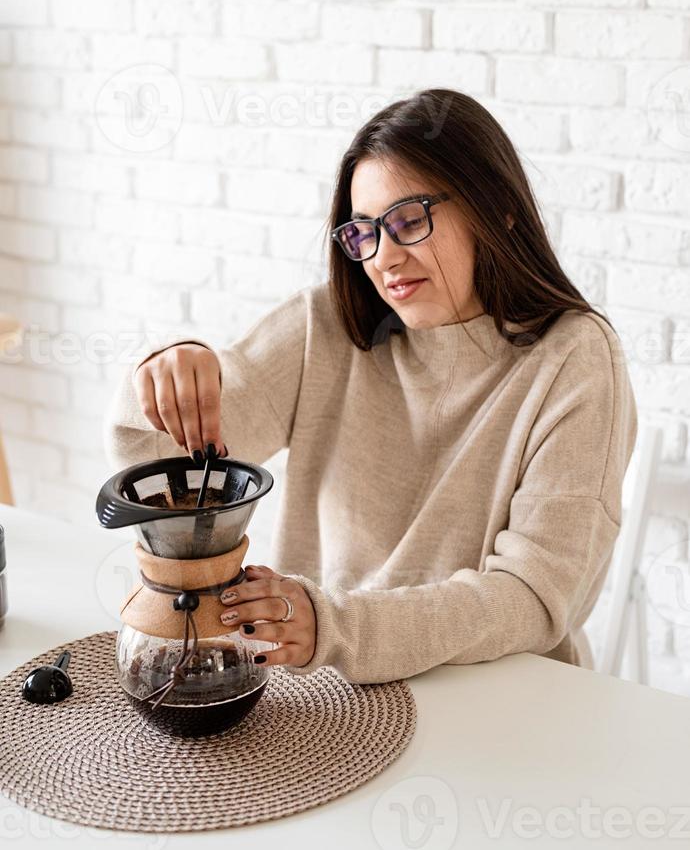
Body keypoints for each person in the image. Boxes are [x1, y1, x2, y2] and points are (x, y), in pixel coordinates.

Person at [103, 88, 638, 685]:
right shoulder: (325, 327)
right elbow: (156, 461)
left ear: (497, 207)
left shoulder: (574, 357)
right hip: (327, 690)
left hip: (502, 698)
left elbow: (533, 599)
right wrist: (165, 370)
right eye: (362, 234)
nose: (382, 258)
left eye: (409, 221)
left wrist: (336, 625)